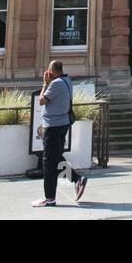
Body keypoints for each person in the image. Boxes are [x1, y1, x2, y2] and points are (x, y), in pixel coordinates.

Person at [31, 60, 87, 207]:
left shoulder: (56, 84)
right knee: (56, 158)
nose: (47, 73)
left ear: (52, 71)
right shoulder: (67, 80)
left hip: (54, 126)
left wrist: (45, 83)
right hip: (62, 124)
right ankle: (77, 179)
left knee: (49, 162)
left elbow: (41, 101)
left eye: (48, 70)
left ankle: (49, 198)